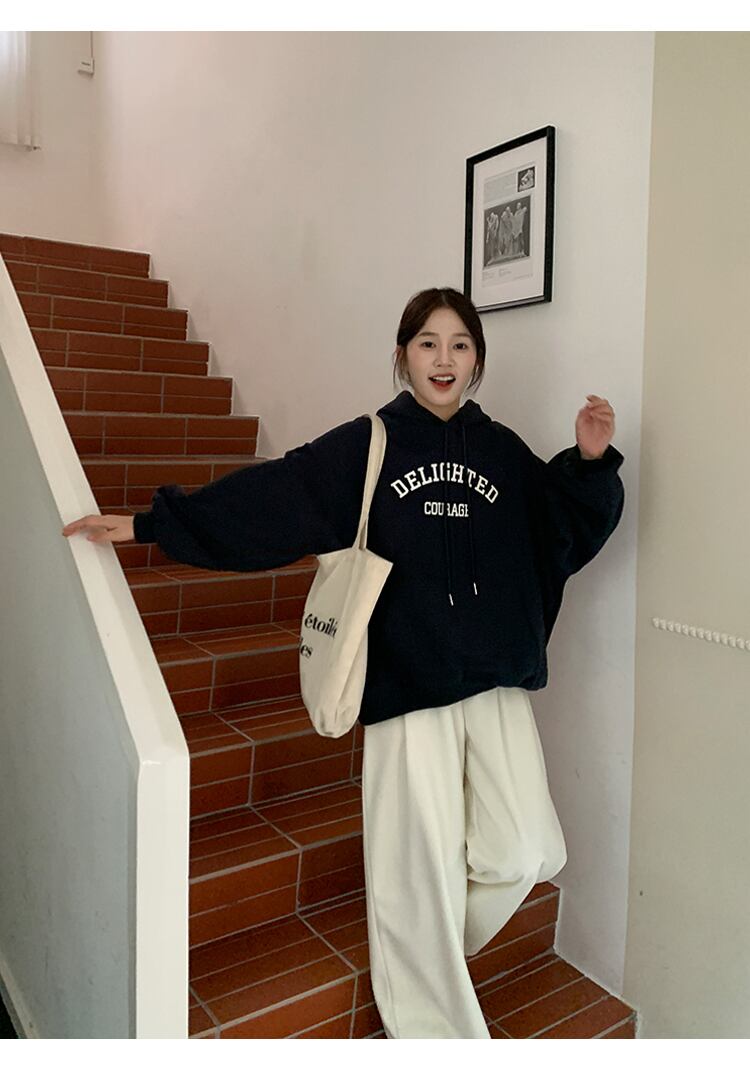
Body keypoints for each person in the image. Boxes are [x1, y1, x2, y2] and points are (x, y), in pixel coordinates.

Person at [61, 287, 624, 1039]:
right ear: (402, 356)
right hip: (406, 683)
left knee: (528, 848)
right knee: (417, 873)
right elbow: (275, 498)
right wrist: (150, 524)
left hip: (492, 681)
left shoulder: (500, 451)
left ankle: (422, 945)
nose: (444, 359)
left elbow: (556, 526)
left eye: (460, 345)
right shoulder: (371, 444)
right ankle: (434, 1027)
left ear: (477, 361)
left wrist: (589, 462)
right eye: (428, 343)